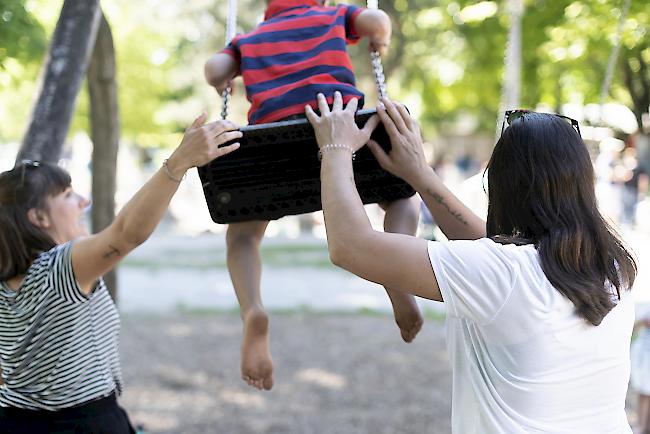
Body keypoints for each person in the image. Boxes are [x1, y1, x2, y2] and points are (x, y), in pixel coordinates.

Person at [307, 92, 637, 433]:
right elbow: (490, 249)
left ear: (503, 186)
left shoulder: (504, 273)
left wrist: (336, 148)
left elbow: (351, 246)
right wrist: (419, 174)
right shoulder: (612, 264)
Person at [204, 0, 422, 390]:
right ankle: (397, 277)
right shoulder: (334, 14)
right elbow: (376, 21)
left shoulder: (249, 38)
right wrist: (381, 39)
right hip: (344, 133)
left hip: (276, 147)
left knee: (241, 235)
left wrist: (227, 75)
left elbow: (214, 70)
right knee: (402, 195)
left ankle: (253, 309)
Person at [0, 114, 241, 433]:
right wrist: (179, 162)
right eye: (68, 195)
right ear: (39, 217)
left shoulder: (7, 281)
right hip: (82, 423)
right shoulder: (57, 268)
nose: (83, 200)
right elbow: (126, 234)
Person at [631, 311, 650, 434]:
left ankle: (643, 426)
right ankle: (641, 426)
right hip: (645, 353)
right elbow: (636, 326)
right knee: (644, 392)